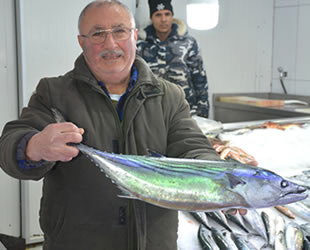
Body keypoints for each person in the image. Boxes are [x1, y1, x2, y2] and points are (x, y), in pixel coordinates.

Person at [0, 1, 245, 250]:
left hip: (153, 243)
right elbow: (10, 144)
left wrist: (220, 176)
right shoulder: (54, 93)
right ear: (81, 41)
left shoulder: (168, 95)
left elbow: (191, 145)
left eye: (119, 31)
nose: (110, 44)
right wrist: (34, 146)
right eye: (97, 34)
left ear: (134, 36)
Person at [137, 0, 210, 118]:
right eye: (158, 15)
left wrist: (202, 110)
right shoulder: (141, 46)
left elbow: (199, 78)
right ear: (152, 18)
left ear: (172, 16)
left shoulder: (188, 43)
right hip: (152, 111)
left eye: (167, 14)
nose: (163, 19)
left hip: (186, 109)